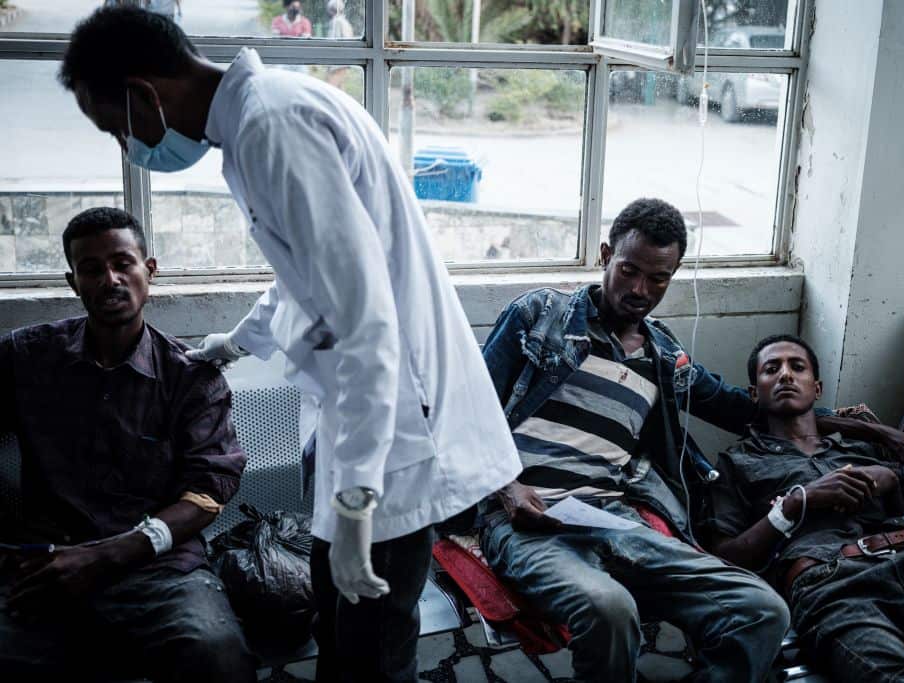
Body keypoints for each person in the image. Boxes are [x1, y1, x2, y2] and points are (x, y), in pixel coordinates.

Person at [61, 8, 522, 681]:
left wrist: (359, 507)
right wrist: (235, 342)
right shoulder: (259, 122)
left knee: (370, 652)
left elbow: (366, 321)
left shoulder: (273, 128)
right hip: (366, 417)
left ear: (143, 95)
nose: (126, 146)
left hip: (394, 427)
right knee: (341, 631)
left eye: (115, 127)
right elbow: (307, 275)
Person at [479, 198, 904, 682]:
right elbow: (464, 412)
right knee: (609, 607)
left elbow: (749, 407)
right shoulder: (540, 316)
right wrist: (507, 486)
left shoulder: (665, 357)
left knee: (761, 609)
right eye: (628, 270)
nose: (640, 289)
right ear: (606, 255)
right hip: (528, 516)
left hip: (613, 516)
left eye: (659, 279)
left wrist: (867, 429)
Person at [0, 207, 254, 682]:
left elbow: (210, 489)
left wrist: (109, 555)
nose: (110, 279)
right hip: (48, 565)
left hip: (159, 567)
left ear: (149, 271)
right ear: (73, 281)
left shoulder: (190, 377)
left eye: (123, 263)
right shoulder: (26, 358)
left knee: (218, 654)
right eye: (92, 269)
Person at [708, 334, 904, 682]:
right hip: (833, 588)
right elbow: (727, 557)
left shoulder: (863, 445)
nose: (785, 375)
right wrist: (795, 503)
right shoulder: (737, 461)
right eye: (772, 369)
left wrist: (886, 474)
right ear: (755, 392)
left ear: (817, 388)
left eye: (797, 367)